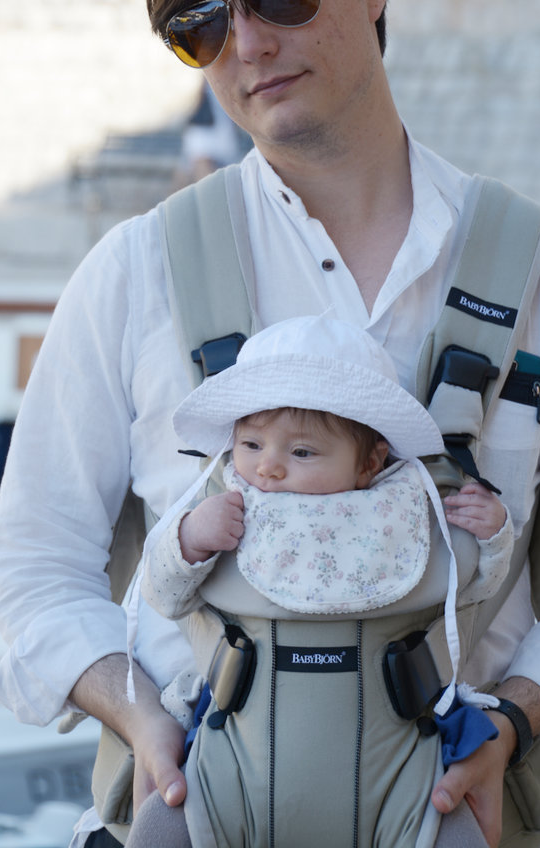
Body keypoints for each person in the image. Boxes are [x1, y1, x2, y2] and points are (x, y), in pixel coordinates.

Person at [0, 0, 540, 848]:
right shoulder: (132, 272)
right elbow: (34, 566)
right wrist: (141, 715)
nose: (245, 44)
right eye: (199, 25)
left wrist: (511, 719)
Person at [126, 314, 513, 848]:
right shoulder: (225, 507)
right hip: (234, 770)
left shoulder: (405, 516)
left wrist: (493, 535)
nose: (268, 469)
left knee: (453, 834)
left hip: (398, 778)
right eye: (251, 444)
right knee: (161, 828)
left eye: (301, 452)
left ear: (370, 463)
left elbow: (473, 586)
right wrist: (190, 539)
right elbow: (163, 595)